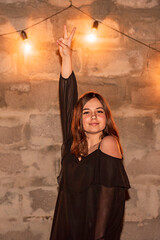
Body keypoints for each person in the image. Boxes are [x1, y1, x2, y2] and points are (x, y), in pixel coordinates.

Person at [49, 25, 130, 240]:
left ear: (106, 117)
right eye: (86, 112)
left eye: (99, 111)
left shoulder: (108, 144)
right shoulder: (70, 143)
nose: (93, 117)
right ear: (79, 119)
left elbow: (108, 205)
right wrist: (66, 56)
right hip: (63, 230)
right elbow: (67, 96)